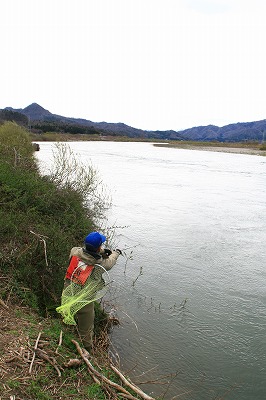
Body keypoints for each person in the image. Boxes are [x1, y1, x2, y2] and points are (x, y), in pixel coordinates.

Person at [64, 231, 121, 351]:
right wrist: (116, 252)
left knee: (67, 314)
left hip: (68, 292)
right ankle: (87, 350)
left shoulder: (74, 251)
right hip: (85, 300)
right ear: (99, 247)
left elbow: (85, 252)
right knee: (86, 328)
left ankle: (65, 334)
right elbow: (110, 262)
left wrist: (100, 252)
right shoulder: (100, 264)